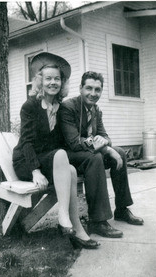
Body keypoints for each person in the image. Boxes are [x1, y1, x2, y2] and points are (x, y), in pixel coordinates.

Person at [12, 53, 100, 249]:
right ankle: (63, 216)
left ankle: (77, 229)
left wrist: (89, 142)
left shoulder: (60, 108)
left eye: (57, 79)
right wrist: (35, 170)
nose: (53, 82)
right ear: (40, 81)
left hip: (46, 160)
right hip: (26, 162)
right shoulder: (30, 106)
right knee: (61, 156)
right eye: (48, 78)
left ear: (62, 82)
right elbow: (26, 141)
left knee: (71, 170)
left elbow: (60, 142)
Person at [59, 71, 144, 238]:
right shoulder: (68, 107)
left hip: (86, 152)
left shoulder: (96, 110)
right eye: (88, 88)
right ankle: (97, 221)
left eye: (97, 89)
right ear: (80, 88)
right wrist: (105, 148)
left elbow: (106, 137)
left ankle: (121, 209)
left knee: (119, 152)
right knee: (97, 157)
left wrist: (106, 144)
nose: (93, 93)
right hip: (67, 157)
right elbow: (74, 142)